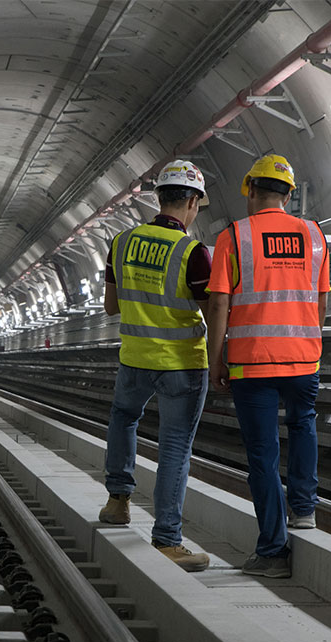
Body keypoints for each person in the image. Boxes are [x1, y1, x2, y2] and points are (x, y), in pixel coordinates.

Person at [205, 154, 330, 579]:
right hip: (303, 357)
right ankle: (305, 510)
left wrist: (214, 358)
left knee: (262, 452)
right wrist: (307, 340)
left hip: (251, 360)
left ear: (251, 191)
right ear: (290, 194)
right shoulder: (314, 236)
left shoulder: (234, 236)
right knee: (303, 425)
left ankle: (273, 551)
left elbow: (219, 301)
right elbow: (321, 299)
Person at [98, 159, 213, 572]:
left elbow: (112, 307)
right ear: (193, 202)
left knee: (123, 419)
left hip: (134, 358)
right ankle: (167, 539)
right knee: (175, 446)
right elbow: (210, 313)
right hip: (182, 364)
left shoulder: (122, 242)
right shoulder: (193, 253)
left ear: (159, 197)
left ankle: (117, 501)